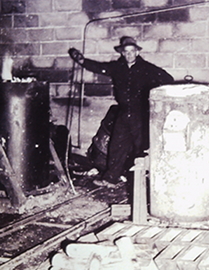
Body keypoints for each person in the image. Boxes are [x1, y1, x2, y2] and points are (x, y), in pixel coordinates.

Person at [69, 36, 174, 188]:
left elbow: (168, 79)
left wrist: (155, 97)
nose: (129, 54)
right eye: (126, 52)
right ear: (122, 53)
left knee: (141, 146)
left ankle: (144, 182)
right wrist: (82, 61)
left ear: (137, 52)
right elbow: (98, 67)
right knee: (117, 144)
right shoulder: (117, 68)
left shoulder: (148, 68)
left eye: (132, 51)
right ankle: (111, 178)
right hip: (124, 112)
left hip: (141, 113)